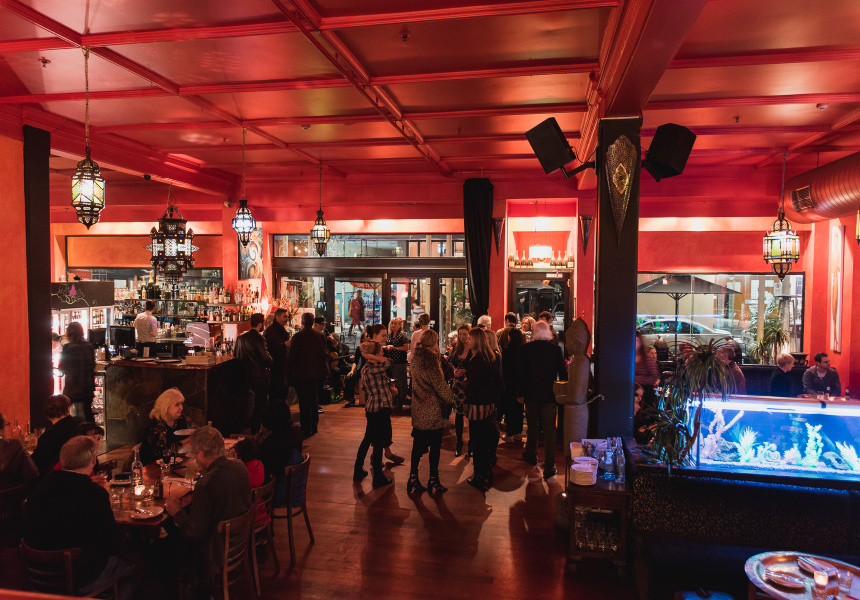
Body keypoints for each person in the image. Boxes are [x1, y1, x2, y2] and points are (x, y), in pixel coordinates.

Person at [24, 436, 136, 599]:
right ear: (93, 460)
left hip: (37, 576)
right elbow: (112, 544)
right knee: (140, 561)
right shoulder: (93, 494)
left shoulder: (38, 489)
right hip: (81, 578)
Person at [164, 427, 251, 600]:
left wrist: (177, 513)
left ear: (202, 454)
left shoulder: (206, 484)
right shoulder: (240, 466)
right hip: (237, 543)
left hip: (213, 553)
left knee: (162, 548)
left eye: (194, 454)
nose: (194, 458)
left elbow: (194, 534)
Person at [517, 321, 566, 479]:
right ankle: (549, 465)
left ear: (534, 332)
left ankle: (531, 455)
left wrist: (520, 393)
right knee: (549, 431)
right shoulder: (555, 350)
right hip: (549, 395)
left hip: (531, 394)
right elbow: (563, 374)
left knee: (532, 428)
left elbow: (521, 375)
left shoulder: (525, 349)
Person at [407, 329, 454, 495]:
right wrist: (450, 397)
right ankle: (433, 478)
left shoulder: (415, 357)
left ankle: (413, 477)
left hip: (419, 406)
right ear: (434, 342)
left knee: (417, 445)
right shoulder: (431, 360)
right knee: (435, 446)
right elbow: (439, 384)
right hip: (432, 408)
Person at [355, 335, 398, 488]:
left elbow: (367, 387)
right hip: (380, 408)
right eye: (380, 351)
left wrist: (389, 388)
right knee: (378, 442)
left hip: (373, 407)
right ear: (373, 354)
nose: (383, 353)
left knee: (368, 439)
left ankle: (358, 470)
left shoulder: (368, 368)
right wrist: (374, 356)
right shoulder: (372, 367)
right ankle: (378, 478)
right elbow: (389, 362)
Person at [464, 327, 501, 492]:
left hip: (477, 405)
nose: (467, 341)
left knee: (478, 441)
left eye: (470, 338)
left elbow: (474, 384)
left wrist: (465, 383)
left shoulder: (478, 359)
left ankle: (480, 476)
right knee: (484, 440)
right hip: (488, 403)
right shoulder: (490, 356)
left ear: (476, 340)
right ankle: (486, 473)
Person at [287, 312, 330, 436]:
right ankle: (314, 426)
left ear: (302, 322)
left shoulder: (298, 336)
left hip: (302, 373)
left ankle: (306, 427)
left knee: (304, 401)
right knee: (313, 400)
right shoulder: (319, 335)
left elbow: (291, 357)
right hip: (317, 373)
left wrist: (289, 373)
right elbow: (324, 353)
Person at [234, 313, 273, 433]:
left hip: (243, 376)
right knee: (260, 405)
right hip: (259, 376)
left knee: (247, 404)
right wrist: (271, 360)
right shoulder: (259, 339)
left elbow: (235, 354)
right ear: (260, 324)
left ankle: (247, 429)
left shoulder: (240, 337)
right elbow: (266, 359)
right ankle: (257, 431)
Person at [31, 394, 84, 477]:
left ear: (47, 413)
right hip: (84, 473)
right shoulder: (81, 423)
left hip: (58, 479)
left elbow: (34, 465)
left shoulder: (48, 437)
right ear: (68, 409)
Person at [139, 388, 192, 466]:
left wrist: (183, 443)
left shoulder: (181, 419)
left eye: (181, 404)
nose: (181, 408)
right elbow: (164, 452)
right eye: (177, 405)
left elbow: (197, 433)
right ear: (166, 407)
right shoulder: (155, 426)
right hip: (153, 467)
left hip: (177, 464)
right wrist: (185, 442)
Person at [59, 322, 96, 422]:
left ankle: (67, 430)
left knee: (63, 412)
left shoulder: (68, 348)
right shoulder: (89, 346)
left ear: (69, 334)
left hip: (72, 387)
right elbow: (92, 366)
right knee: (88, 414)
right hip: (87, 387)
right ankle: (91, 430)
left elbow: (62, 368)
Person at [233, 437, 269, 526]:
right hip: (261, 511)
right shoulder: (260, 464)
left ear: (240, 456)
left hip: (248, 516)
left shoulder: (242, 472)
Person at [449, 324, 472, 457]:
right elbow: (451, 363)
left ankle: (471, 444)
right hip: (458, 385)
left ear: (469, 334)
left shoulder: (474, 348)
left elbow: (477, 367)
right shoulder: (456, 347)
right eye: (460, 334)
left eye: (465, 334)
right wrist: (454, 371)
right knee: (458, 415)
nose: (462, 337)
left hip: (470, 385)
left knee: (471, 415)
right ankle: (459, 443)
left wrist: (466, 371)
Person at [499, 327, 525, 440]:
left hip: (509, 384)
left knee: (509, 409)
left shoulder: (507, 351)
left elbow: (504, 369)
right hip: (520, 384)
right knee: (519, 409)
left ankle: (509, 433)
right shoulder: (523, 351)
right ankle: (518, 432)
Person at [0, 412, 38, 489]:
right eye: (6, 425)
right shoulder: (15, 445)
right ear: (1, 429)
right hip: (13, 494)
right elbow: (33, 474)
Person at [264, 307, 292, 402]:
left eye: (287, 317)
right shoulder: (270, 331)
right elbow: (268, 348)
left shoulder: (280, 330)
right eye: (285, 317)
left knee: (283, 392)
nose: (287, 319)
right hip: (276, 368)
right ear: (277, 317)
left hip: (283, 367)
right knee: (277, 394)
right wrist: (284, 345)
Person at [385, 318, 410, 410]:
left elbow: (406, 347)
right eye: (392, 323)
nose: (393, 325)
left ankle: (400, 402)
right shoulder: (388, 336)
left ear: (400, 326)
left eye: (395, 323)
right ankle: (392, 401)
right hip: (389, 363)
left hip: (399, 362)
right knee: (391, 382)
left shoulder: (402, 336)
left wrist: (394, 348)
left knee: (399, 382)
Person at [634, 331, 659, 409]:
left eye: (636, 341)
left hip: (645, 394)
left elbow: (654, 376)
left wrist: (636, 380)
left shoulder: (647, 359)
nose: (634, 343)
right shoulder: (628, 357)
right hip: (631, 393)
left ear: (640, 343)